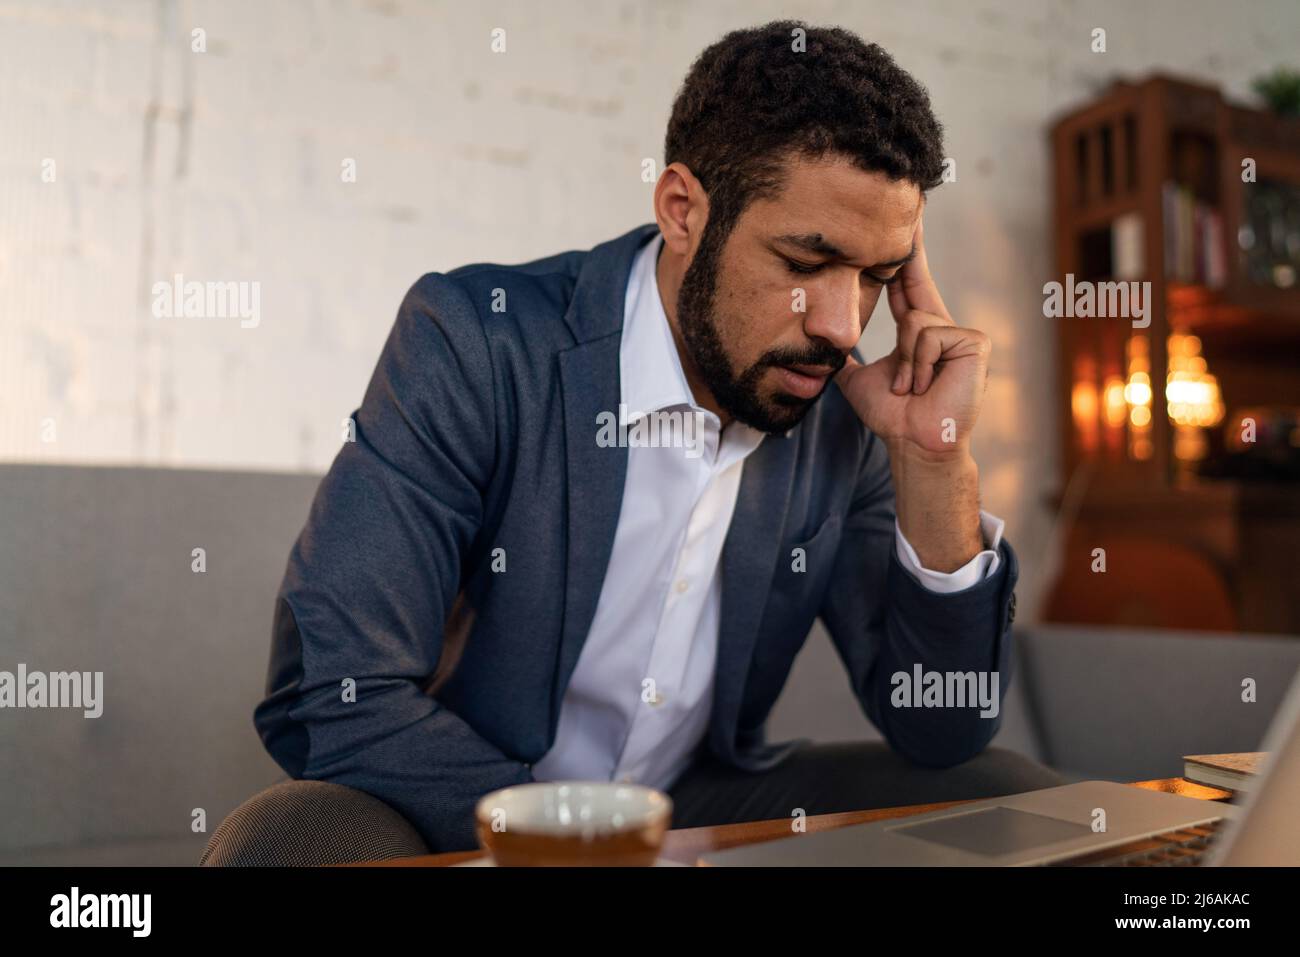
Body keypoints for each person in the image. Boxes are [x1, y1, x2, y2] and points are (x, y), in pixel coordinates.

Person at [247, 20, 1061, 858]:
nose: (841, 324)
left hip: (696, 807)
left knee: (1004, 794)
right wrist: (585, 847)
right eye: (804, 263)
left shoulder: (844, 410)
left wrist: (935, 458)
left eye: (878, 278)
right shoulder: (476, 343)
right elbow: (328, 693)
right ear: (683, 210)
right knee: (282, 844)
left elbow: (942, 727)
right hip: (460, 809)